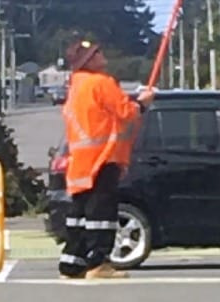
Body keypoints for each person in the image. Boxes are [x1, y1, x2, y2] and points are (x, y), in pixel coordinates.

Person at [57, 38, 154, 279]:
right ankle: (98, 263)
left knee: (80, 215)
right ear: (89, 61)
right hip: (103, 158)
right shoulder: (101, 83)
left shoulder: (76, 86)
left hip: (81, 161)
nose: (102, 55)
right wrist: (142, 104)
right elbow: (126, 111)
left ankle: (72, 264)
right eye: (97, 53)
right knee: (101, 214)